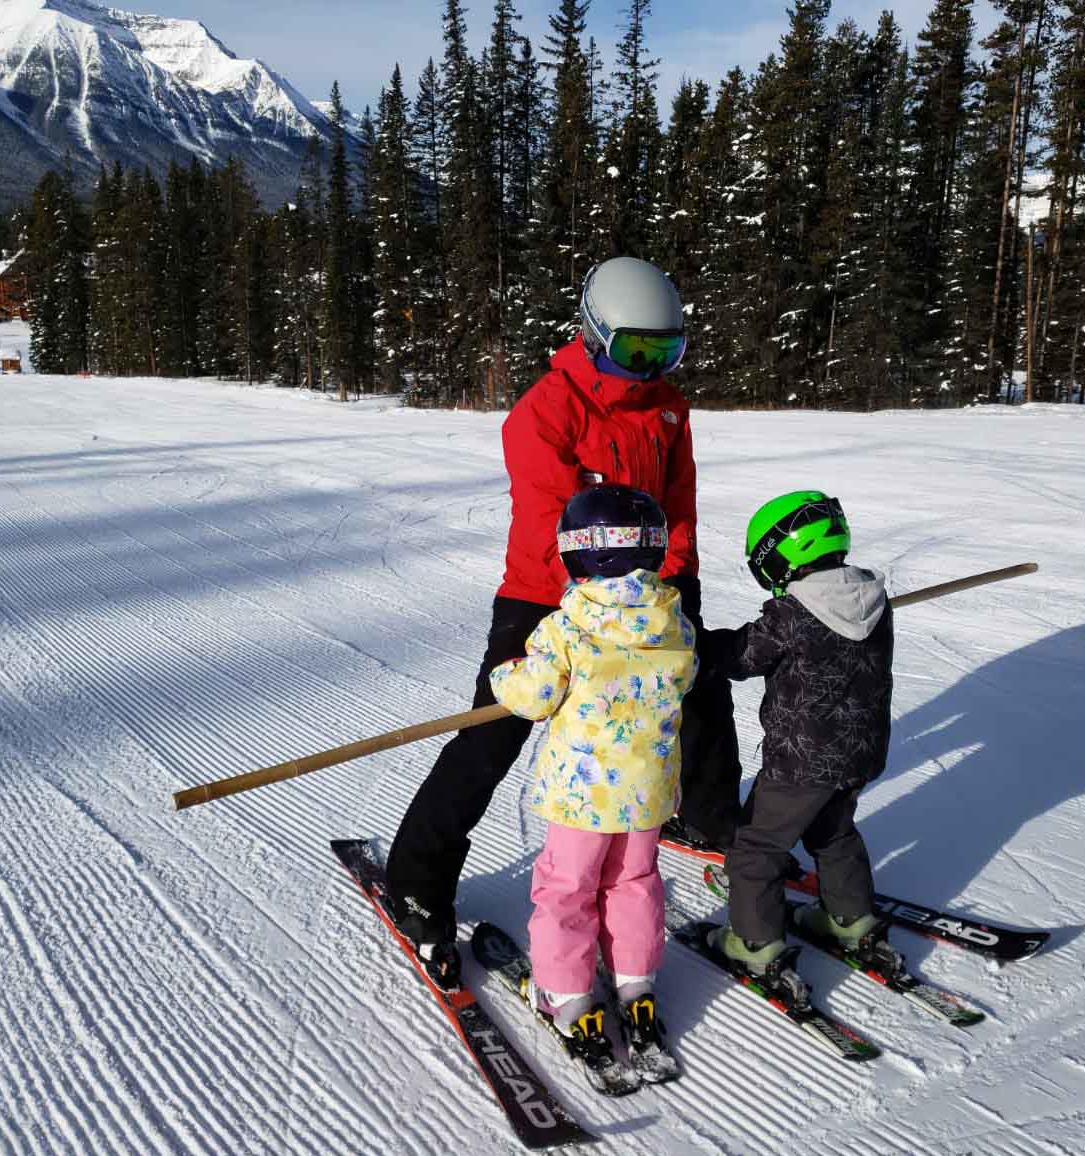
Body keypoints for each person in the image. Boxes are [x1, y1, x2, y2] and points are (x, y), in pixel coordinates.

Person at [383, 256, 742, 951]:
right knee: (497, 727)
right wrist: (599, 606)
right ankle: (417, 878)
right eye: (637, 350)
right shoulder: (545, 412)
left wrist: (672, 582)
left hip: (652, 587)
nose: (651, 368)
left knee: (700, 696)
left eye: (666, 352)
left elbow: (680, 501)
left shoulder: (668, 407)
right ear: (596, 335)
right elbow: (553, 520)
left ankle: (709, 819)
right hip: (551, 594)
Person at [489, 484, 693, 1075]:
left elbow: (533, 696)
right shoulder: (673, 620)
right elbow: (689, 673)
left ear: (579, 553)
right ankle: (635, 982)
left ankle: (566, 994)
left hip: (583, 794)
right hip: (648, 790)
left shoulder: (568, 628)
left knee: (568, 888)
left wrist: (505, 675)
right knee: (633, 880)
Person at [700, 491, 902, 995]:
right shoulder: (874, 600)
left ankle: (755, 943)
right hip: (860, 753)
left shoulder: (793, 613)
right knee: (834, 833)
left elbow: (743, 656)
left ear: (780, 553)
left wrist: (701, 646)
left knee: (756, 847)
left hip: (800, 763)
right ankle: (851, 920)